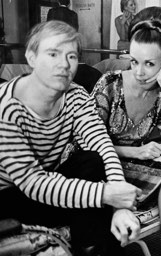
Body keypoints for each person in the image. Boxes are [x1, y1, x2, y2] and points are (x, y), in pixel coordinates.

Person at [0, 20, 142, 256]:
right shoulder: (8, 107)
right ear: (31, 57)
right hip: (8, 198)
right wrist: (108, 195)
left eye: (72, 56)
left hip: (46, 187)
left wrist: (119, 203)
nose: (63, 65)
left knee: (91, 160)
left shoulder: (76, 95)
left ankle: (92, 248)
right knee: (100, 207)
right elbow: (32, 183)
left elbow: (102, 145)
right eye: (53, 53)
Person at [92, 7, 161, 256]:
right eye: (134, 61)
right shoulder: (109, 84)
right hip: (104, 169)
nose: (140, 72)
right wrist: (137, 151)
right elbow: (87, 147)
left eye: (149, 64)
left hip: (135, 166)